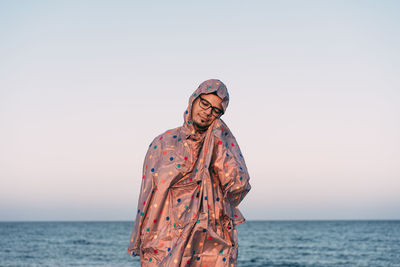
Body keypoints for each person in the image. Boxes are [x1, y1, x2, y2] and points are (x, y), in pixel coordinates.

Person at [128, 79, 251, 266]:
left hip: (208, 240)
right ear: (194, 100)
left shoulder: (218, 143)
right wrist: (139, 239)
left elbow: (239, 184)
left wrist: (220, 137)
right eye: (205, 104)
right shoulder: (163, 143)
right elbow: (147, 194)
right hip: (164, 239)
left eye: (216, 111)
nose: (208, 112)